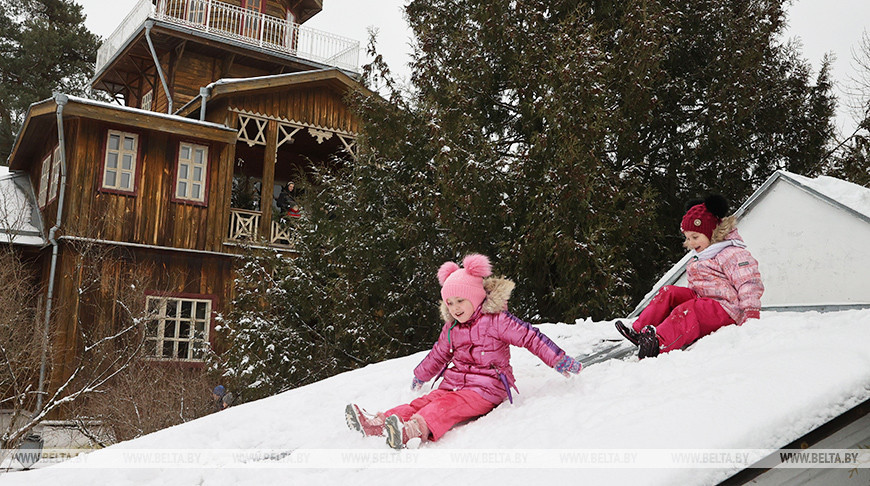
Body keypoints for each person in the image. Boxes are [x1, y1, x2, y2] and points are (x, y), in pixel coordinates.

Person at [345, 254, 582, 449]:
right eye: (450, 303)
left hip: (487, 389)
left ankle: (411, 431)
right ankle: (379, 422)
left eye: (461, 301)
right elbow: (438, 354)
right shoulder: (451, 328)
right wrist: (421, 374)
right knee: (425, 401)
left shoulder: (497, 320)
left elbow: (531, 337)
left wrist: (558, 359)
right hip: (454, 384)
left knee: (444, 407)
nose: (456, 308)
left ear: (475, 298)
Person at [615, 194, 764, 359]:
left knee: (688, 310)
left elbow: (749, 282)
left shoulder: (732, 253)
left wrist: (750, 312)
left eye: (695, 237)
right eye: (687, 238)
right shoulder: (702, 255)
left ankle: (659, 342)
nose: (691, 243)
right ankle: (639, 331)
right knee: (669, 292)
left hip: (726, 308)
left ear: (712, 232)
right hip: (703, 300)